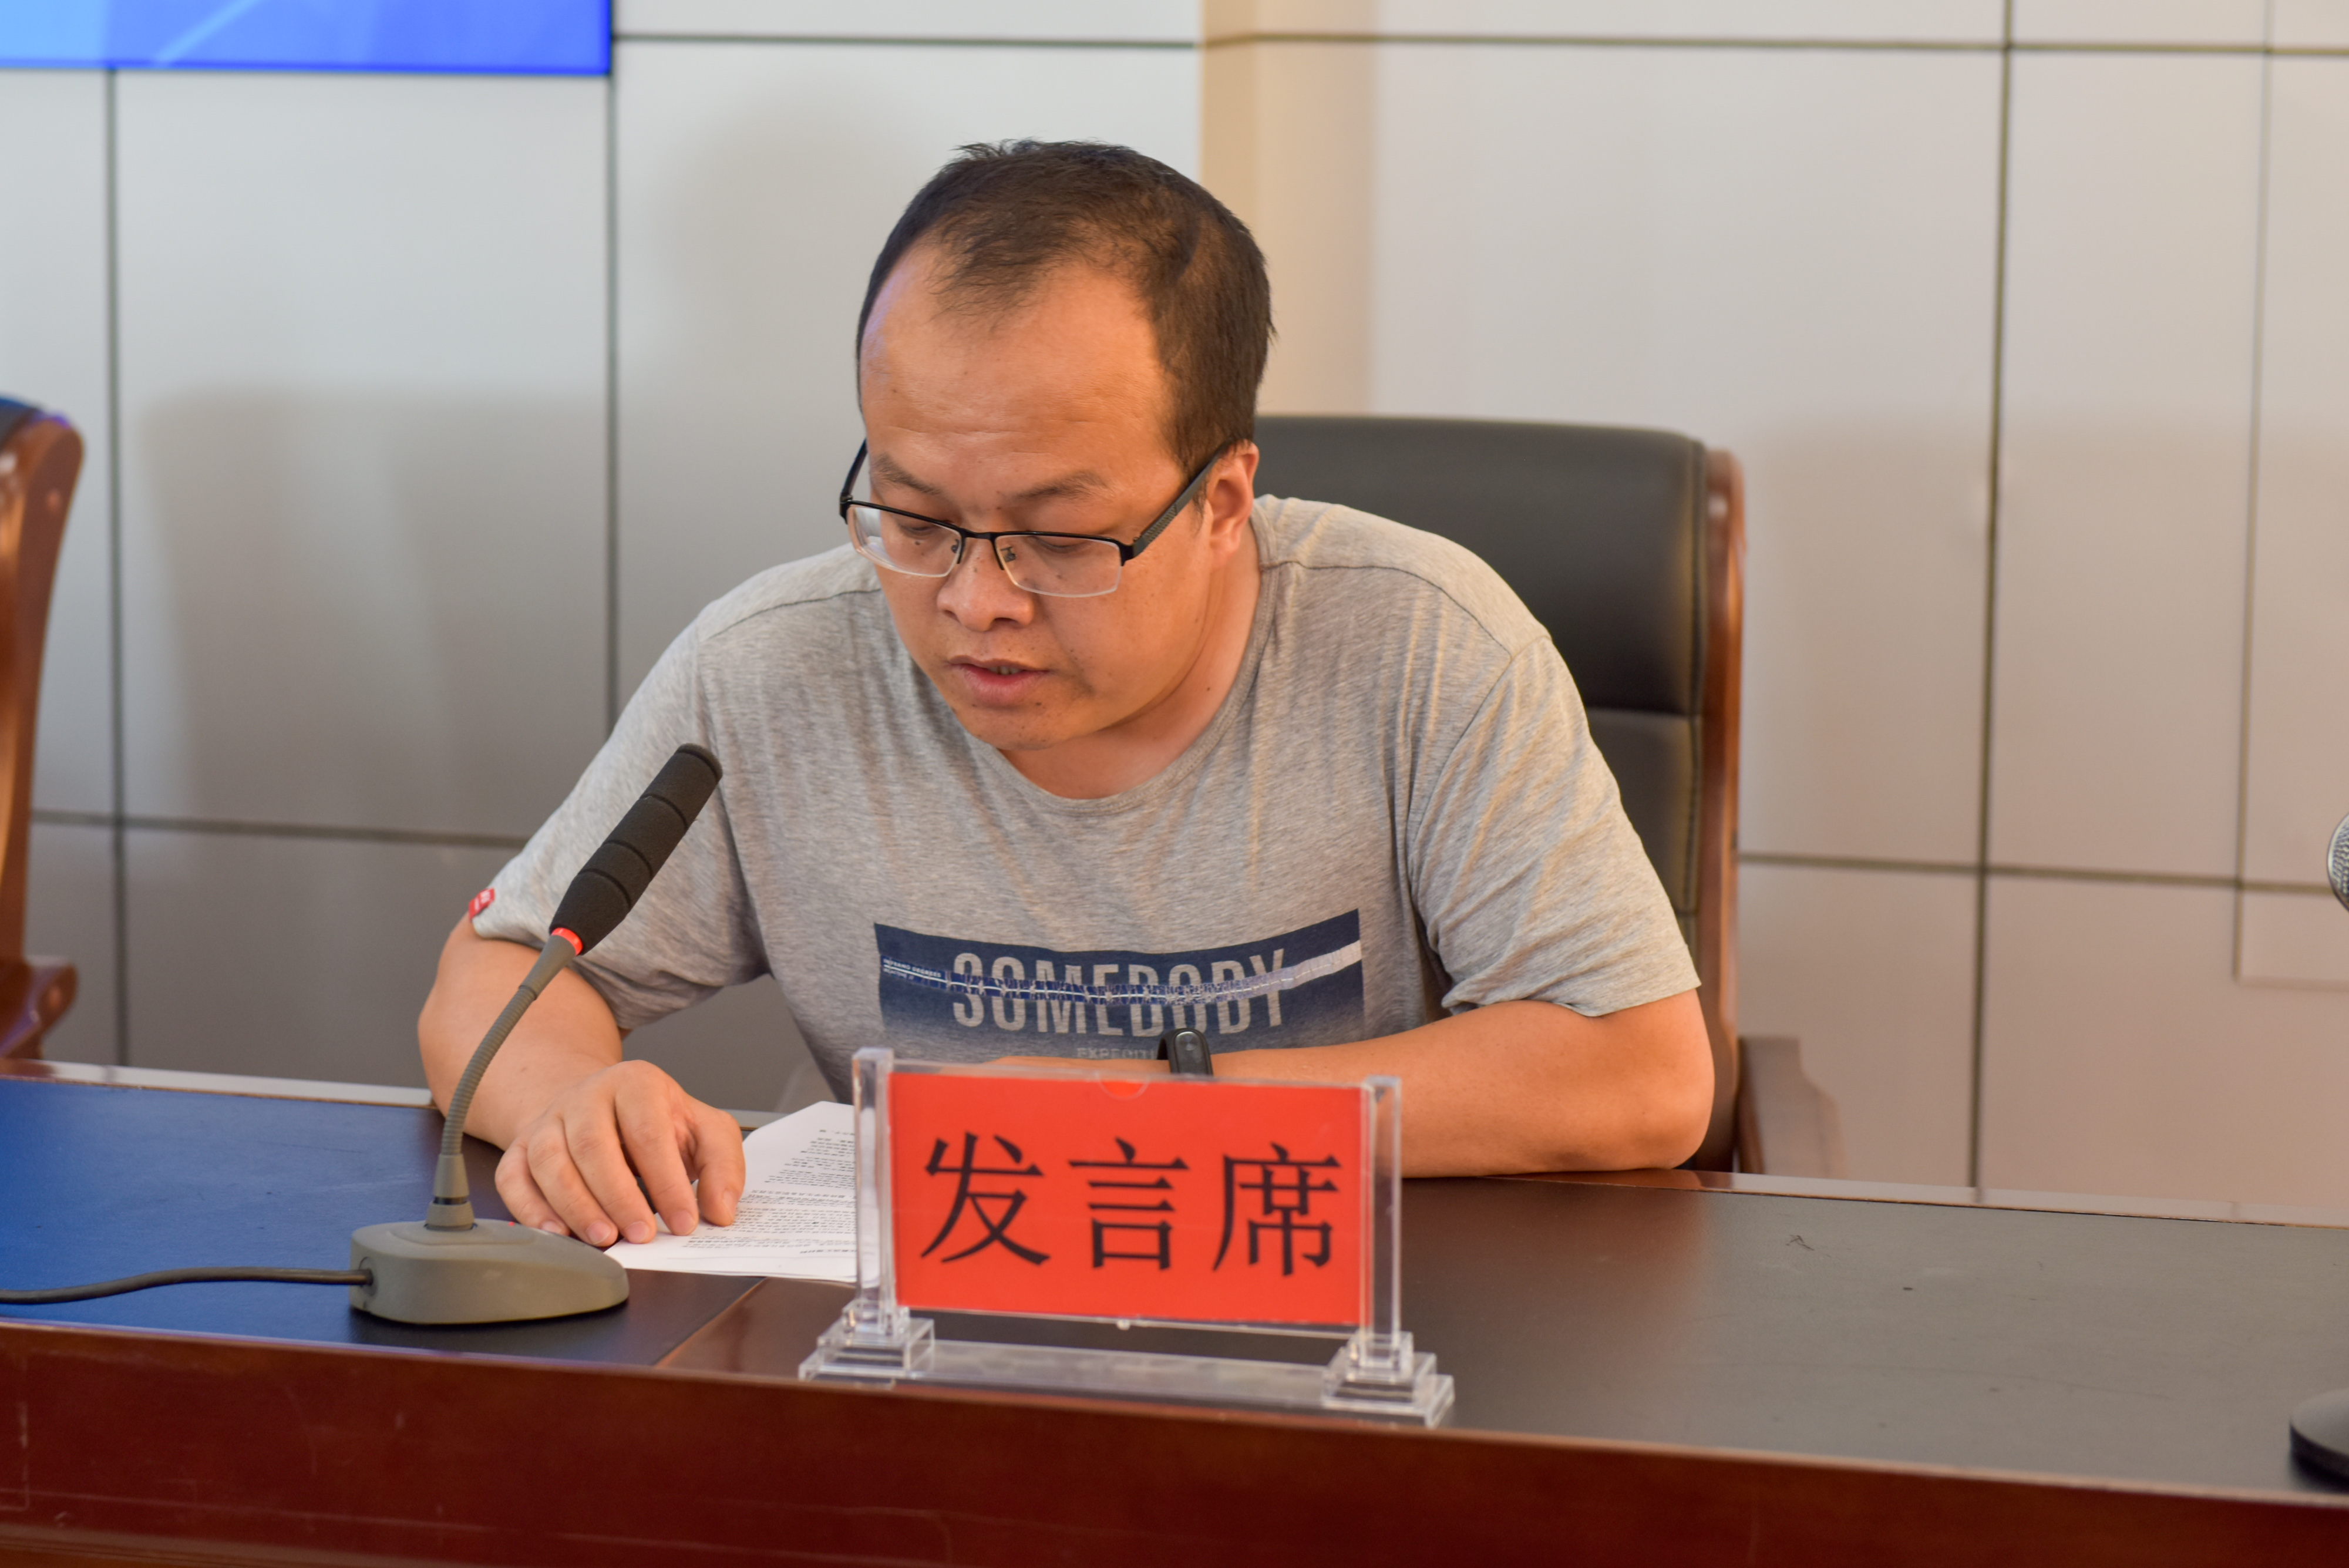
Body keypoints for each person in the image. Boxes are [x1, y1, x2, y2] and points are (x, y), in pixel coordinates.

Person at [419, 140, 1712, 1250]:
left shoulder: (1420, 643)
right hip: (904, 1345)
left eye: (1054, 537)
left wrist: (1149, 1109)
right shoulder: (776, 666)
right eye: (914, 518)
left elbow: (1639, 1073)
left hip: (1329, 1328)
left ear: (1221, 501)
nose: (974, 599)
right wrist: (565, 1105)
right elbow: (502, 974)